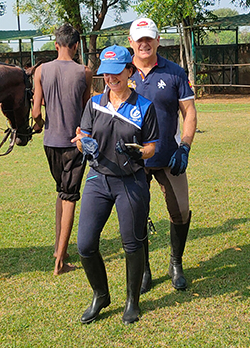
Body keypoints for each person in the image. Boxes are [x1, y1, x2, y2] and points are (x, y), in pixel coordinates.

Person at [74, 45, 158, 324]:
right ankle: (101, 295)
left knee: (131, 244)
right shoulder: (94, 103)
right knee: (85, 244)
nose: (110, 78)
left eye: (116, 72)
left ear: (130, 71)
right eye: (106, 74)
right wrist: (82, 143)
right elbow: (82, 134)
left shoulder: (144, 106)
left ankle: (132, 301)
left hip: (131, 182)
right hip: (98, 179)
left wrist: (141, 153)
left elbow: (152, 146)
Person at [127, 17, 197, 292]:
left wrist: (186, 146)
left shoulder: (174, 73)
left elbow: (189, 112)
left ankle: (175, 263)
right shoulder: (122, 73)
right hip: (134, 159)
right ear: (130, 42)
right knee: (135, 213)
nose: (144, 44)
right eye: (139, 39)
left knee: (180, 211)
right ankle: (144, 269)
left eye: (149, 38)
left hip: (168, 155)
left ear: (158, 40)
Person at [31, 23, 94, 275]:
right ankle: (59, 263)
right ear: (76, 46)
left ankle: (60, 249)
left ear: (56, 45)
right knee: (69, 197)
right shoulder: (84, 72)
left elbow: (36, 112)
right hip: (74, 143)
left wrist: (40, 123)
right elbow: (86, 108)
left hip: (49, 142)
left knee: (61, 192)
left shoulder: (41, 70)